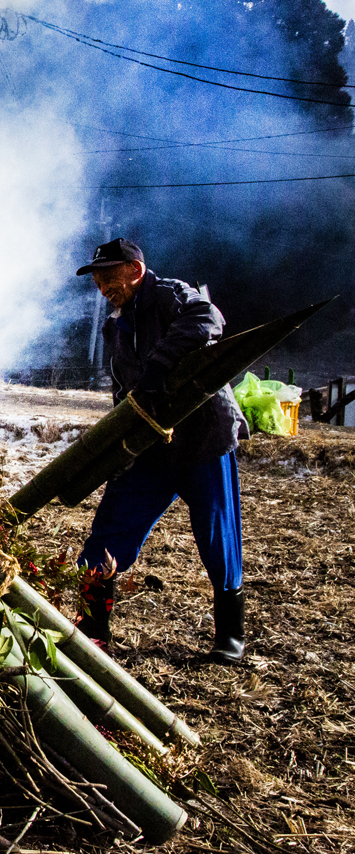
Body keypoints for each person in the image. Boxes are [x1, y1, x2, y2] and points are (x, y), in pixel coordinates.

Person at [74, 238, 249, 664]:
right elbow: (123, 392)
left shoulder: (172, 296)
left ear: (135, 271)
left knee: (217, 533)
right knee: (110, 528)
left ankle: (231, 633)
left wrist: (158, 365)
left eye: (109, 279)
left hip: (203, 438)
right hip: (150, 446)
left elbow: (209, 318)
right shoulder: (115, 326)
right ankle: (93, 629)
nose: (103, 289)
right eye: (97, 283)